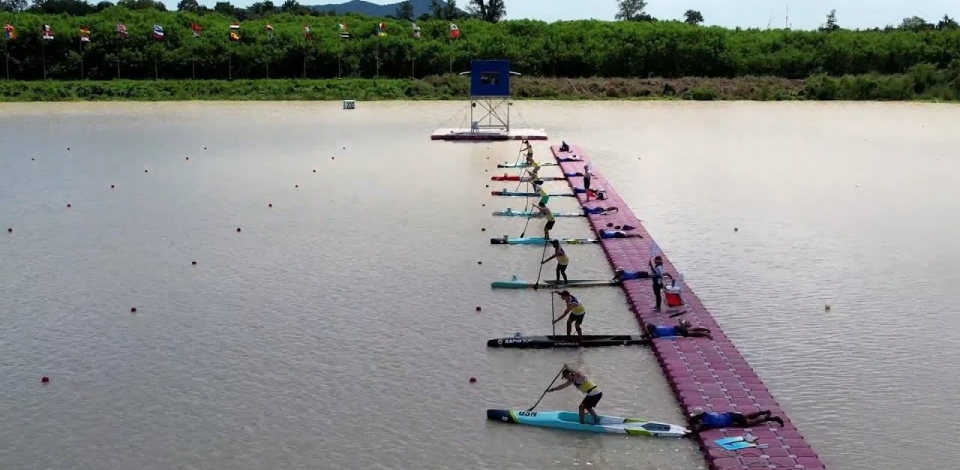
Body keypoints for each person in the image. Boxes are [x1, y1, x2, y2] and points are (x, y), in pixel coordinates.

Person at [687, 408, 783, 433]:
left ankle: (772, 419)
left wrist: (688, 431)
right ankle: (763, 412)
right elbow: (698, 423)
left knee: (749, 423)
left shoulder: (706, 422)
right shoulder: (708, 414)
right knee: (744, 416)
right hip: (730, 414)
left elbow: (698, 429)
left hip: (732, 418)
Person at [644, 319, 712, 339]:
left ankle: (706, 334)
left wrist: (646, 335)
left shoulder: (656, 333)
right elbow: (650, 332)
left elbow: (652, 336)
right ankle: (706, 329)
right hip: (676, 327)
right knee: (691, 329)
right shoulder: (657, 328)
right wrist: (646, 334)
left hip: (677, 330)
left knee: (691, 334)